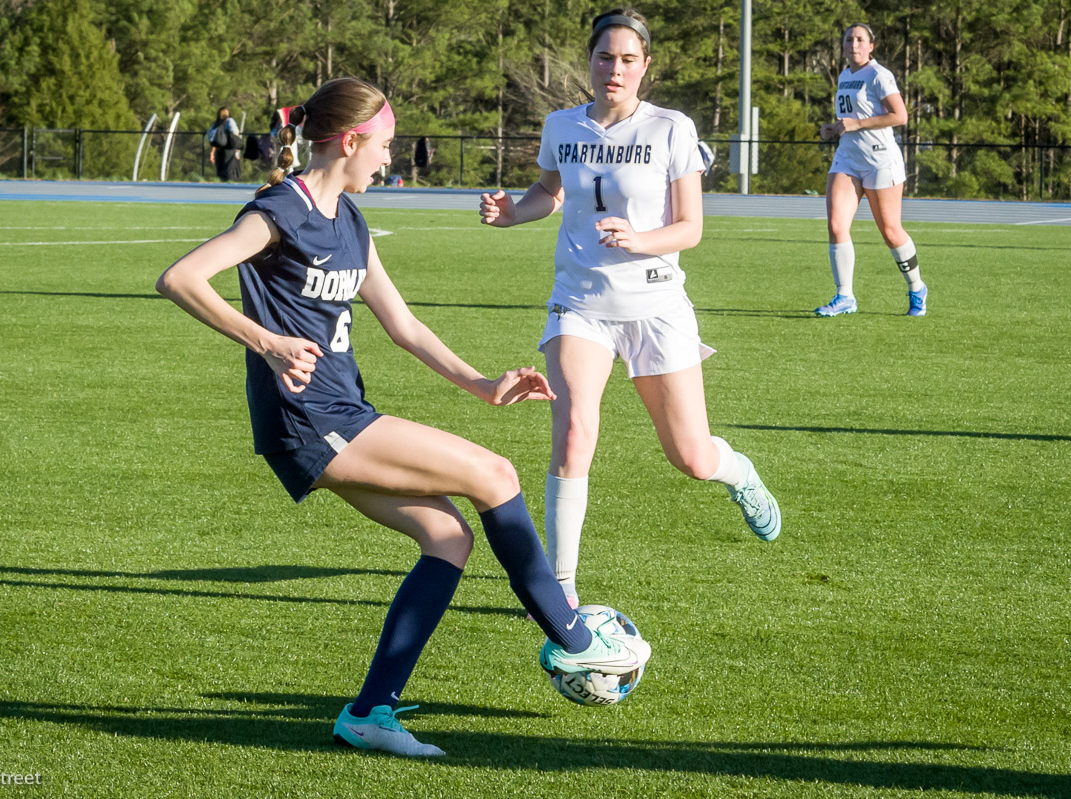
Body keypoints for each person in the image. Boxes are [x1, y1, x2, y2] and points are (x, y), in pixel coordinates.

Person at [156, 77, 649, 758]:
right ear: (350, 140)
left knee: (448, 538)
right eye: (383, 145)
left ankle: (370, 712)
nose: (388, 160)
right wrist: (267, 343)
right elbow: (180, 278)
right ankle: (575, 638)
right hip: (307, 418)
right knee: (494, 473)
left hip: (338, 412)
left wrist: (482, 385)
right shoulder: (279, 210)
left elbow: (405, 325)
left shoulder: (351, 221)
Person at [479, 8, 781, 611]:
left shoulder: (672, 128)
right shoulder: (561, 124)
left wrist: (640, 239)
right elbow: (550, 190)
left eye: (626, 59)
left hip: (656, 306)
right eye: (603, 57)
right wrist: (515, 211)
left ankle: (740, 472)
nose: (613, 69)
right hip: (581, 304)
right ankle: (558, 587)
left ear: (645, 66)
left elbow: (690, 228)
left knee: (691, 457)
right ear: (588, 61)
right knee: (572, 436)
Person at [816, 23, 926, 317]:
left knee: (890, 232)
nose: (854, 44)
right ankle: (845, 296)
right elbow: (851, 117)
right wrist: (835, 128)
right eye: (849, 39)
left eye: (860, 39)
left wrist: (857, 124)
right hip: (848, 159)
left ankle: (916, 288)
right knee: (837, 227)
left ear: (871, 46)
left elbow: (899, 116)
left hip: (880, 160)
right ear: (842, 46)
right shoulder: (844, 75)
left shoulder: (879, 75)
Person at [207, 107, 242, 182]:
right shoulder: (229, 121)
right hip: (229, 149)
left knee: (221, 171)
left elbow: (214, 139)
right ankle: (230, 184)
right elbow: (236, 134)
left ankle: (223, 184)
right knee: (230, 170)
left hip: (219, 149)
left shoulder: (216, 124)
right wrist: (237, 150)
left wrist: (212, 152)